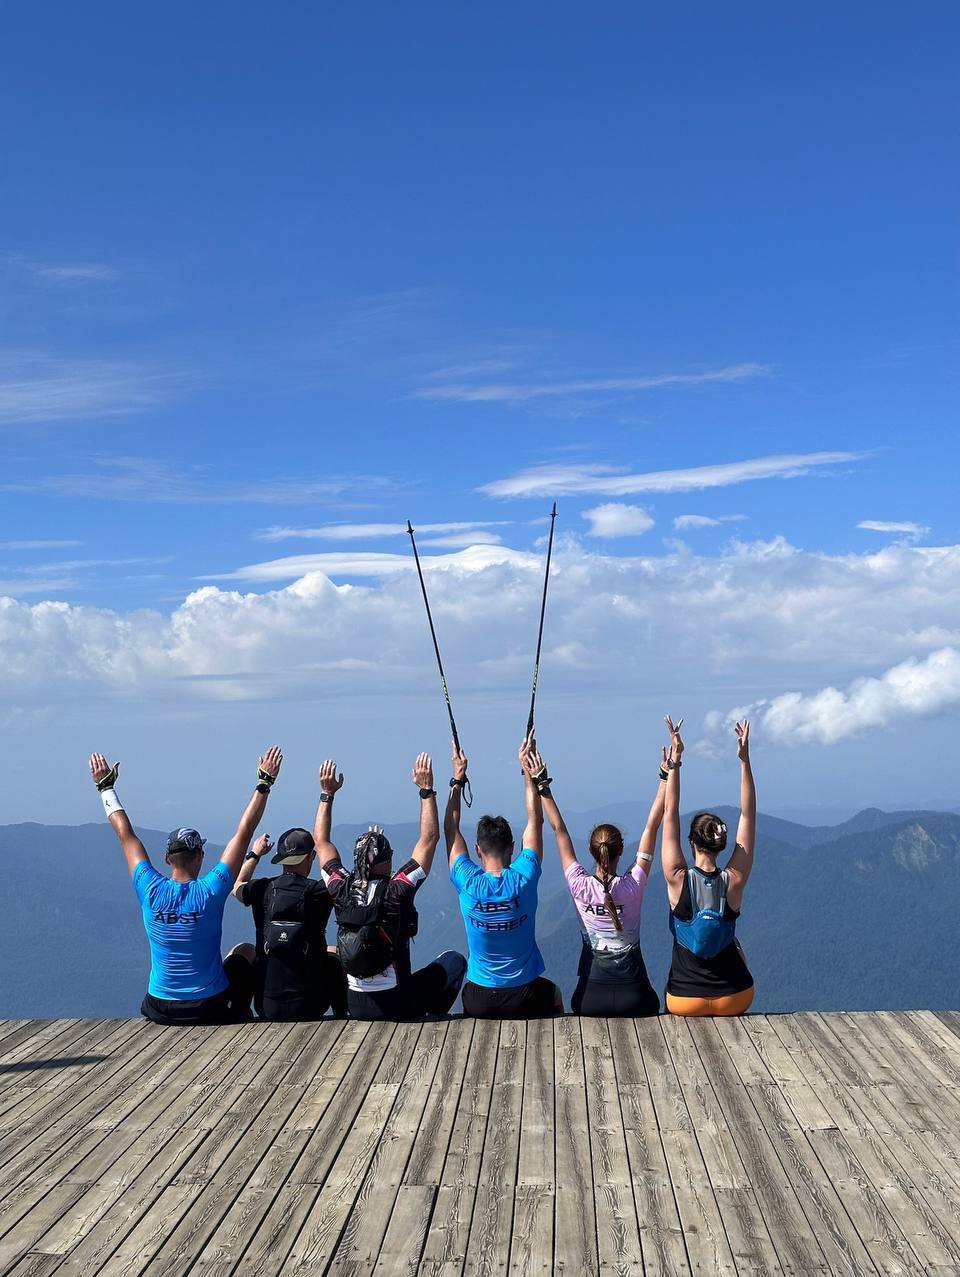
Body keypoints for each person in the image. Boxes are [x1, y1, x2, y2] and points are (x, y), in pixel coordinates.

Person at [88, 745, 283, 1025]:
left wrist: (105, 788)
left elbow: (126, 835)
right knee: (244, 952)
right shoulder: (210, 891)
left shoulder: (149, 888)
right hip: (209, 1006)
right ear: (201, 856)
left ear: (167, 858)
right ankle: (242, 1013)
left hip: (160, 1007)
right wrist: (265, 782)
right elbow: (245, 831)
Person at [314, 753, 466, 1021]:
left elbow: (322, 842)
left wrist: (327, 794)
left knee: (330, 951)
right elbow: (429, 839)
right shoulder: (397, 890)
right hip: (397, 1002)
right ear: (386, 862)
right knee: (454, 961)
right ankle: (431, 1015)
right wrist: (426, 790)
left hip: (356, 1004)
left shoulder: (341, 888)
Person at [519, 740, 660, 1017]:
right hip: (636, 997)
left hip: (589, 999)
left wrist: (541, 784)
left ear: (591, 851)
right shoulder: (632, 885)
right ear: (621, 851)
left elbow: (559, 830)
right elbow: (652, 826)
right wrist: (667, 775)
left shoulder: (579, 885)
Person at [446, 739, 562, 1018]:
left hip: (479, 998)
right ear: (513, 846)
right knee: (555, 993)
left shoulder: (468, 882)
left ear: (477, 850)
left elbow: (450, 829)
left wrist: (458, 779)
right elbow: (535, 821)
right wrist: (527, 772)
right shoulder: (524, 876)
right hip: (525, 995)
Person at [661, 716, 756, 1016]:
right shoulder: (735, 879)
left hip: (684, 1000)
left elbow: (670, 813)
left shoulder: (678, 878)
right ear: (722, 844)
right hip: (736, 997)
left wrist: (675, 761)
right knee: (736, 945)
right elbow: (748, 816)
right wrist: (744, 761)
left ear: (691, 842)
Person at [232, 826, 347, 1021]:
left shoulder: (262, 888)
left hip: (266, 1006)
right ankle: (341, 1015)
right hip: (311, 1006)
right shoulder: (319, 892)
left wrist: (255, 854)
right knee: (334, 952)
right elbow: (342, 882)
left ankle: (240, 1011)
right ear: (310, 857)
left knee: (242, 949)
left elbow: (237, 885)